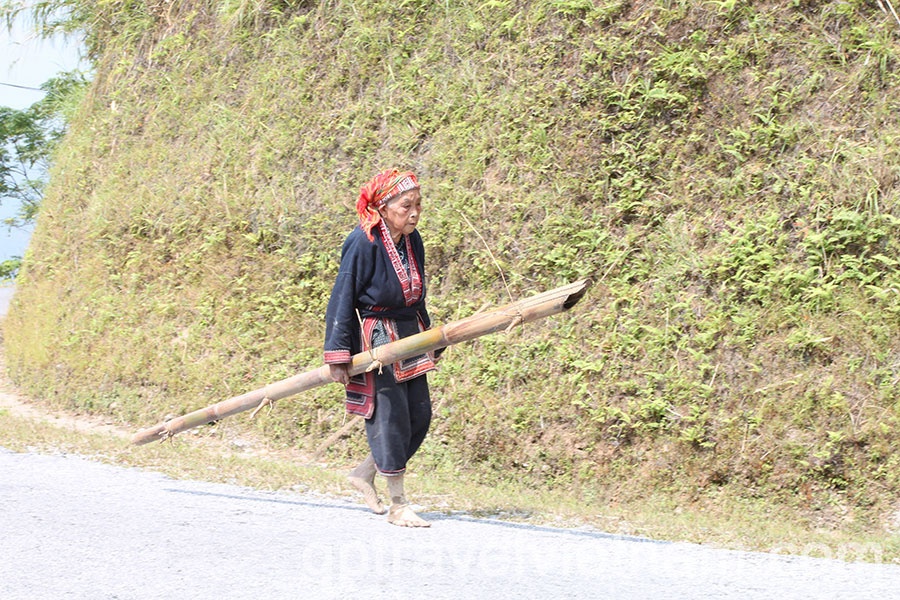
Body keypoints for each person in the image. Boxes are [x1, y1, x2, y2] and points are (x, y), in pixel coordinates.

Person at [324, 168, 439, 528]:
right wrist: (338, 354)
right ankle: (398, 505)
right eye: (406, 206)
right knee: (390, 418)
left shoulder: (413, 241)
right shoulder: (363, 241)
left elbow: (418, 296)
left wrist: (431, 338)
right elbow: (343, 296)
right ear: (384, 207)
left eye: (418, 205)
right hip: (378, 340)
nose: (414, 213)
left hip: (410, 335)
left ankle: (364, 472)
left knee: (419, 416)